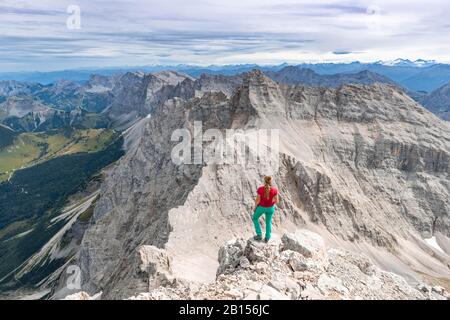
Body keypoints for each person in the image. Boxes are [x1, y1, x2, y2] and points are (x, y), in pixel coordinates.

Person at [252, 176, 279, 242]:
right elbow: (277, 201)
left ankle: (259, 235)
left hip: (261, 207)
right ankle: (267, 237)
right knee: (268, 222)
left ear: (264, 181)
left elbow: (257, 200)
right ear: (271, 182)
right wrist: (271, 202)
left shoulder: (260, 189)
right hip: (270, 208)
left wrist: (255, 207)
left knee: (255, 218)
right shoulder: (275, 190)